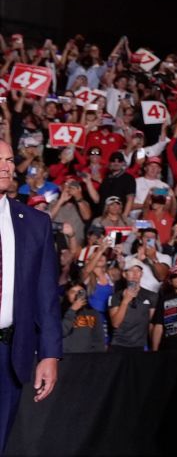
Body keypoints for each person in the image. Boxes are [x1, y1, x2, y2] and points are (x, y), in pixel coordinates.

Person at [0, 140, 61, 451]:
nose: (5, 166)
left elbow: (46, 295)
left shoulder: (36, 223)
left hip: (8, 353)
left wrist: (49, 354)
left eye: (10, 160)